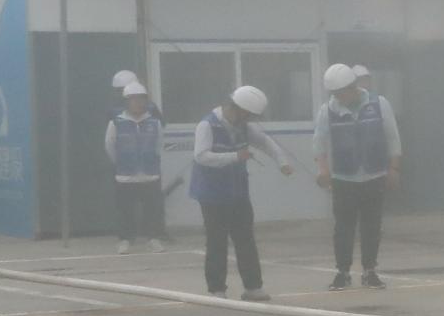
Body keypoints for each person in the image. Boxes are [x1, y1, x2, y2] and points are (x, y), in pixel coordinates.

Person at [189, 83, 294, 299]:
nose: (249, 120)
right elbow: (201, 156)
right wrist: (235, 156)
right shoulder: (207, 125)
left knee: (245, 239)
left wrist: (282, 161)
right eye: (248, 115)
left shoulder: (244, 126)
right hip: (212, 194)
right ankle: (217, 289)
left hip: (238, 191)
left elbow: (265, 142)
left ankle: (253, 287)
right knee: (216, 241)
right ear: (238, 109)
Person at [315, 61, 400, 289]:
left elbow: (392, 137)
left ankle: (369, 271)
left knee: (372, 225)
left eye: (341, 93)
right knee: (343, 228)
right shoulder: (327, 111)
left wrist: (393, 168)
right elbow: (319, 144)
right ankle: (342, 272)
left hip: (374, 175)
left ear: (352, 88)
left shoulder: (379, 104)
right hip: (343, 178)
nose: (338, 98)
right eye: (334, 94)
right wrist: (323, 169)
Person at [104, 71, 169, 251]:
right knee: (125, 209)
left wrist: (152, 161)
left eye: (141, 99)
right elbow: (110, 145)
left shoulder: (154, 122)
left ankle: (153, 238)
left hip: (150, 173)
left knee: (152, 208)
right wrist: (121, 163)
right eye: (133, 99)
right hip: (125, 174)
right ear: (127, 101)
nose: (138, 103)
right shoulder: (116, 122)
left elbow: (159, 144)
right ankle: (125, 239)